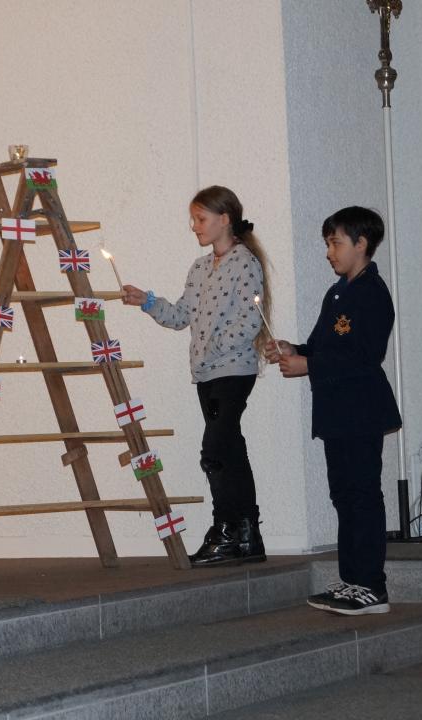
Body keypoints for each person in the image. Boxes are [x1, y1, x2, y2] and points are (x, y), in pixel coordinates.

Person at [123, 185, 271, 566]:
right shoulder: (200, 268)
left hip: (233, 372)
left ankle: (226, 529)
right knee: (230, 449)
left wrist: (213, 345)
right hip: (206, 376)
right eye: (193, 219)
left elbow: (251, 320)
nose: (194, 226)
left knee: (215, 451)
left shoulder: (245, 263)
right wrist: (148, 302)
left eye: (201, 219)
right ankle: (246, 536)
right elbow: (181, 316)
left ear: (225, 219)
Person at [266, 206, 401, 615]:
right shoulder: (337, 292)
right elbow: (323, 347)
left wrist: (309, 365)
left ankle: (371, 586)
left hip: (361, 411)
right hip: (337, 414)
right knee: (344, 495)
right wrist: (293, 349)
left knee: (362, 495)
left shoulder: (372, 293)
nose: (329, 252)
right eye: (328, 243)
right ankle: (352, 581)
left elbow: (365, 356)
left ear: (361, 244)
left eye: (335, 243)